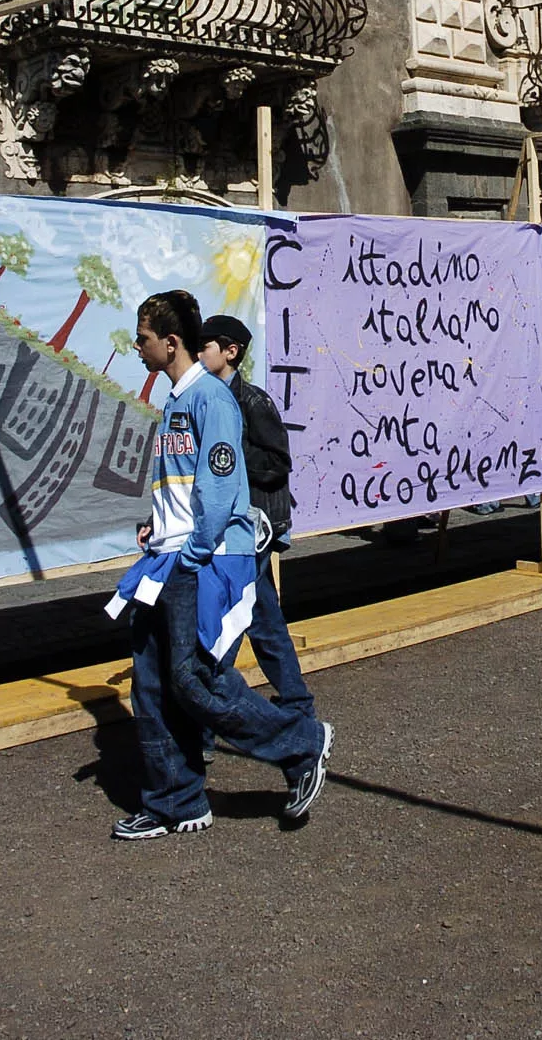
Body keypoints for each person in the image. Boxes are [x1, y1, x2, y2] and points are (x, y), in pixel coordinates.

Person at [107, 289, 332, 840]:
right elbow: (184, 483)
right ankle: (176, 801)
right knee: (152, 682)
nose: (138, 348)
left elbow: (219, 483)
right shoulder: (178, 400)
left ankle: (301, 744)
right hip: (169, 554)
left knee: (196, 681)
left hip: (196, 559)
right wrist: (155, 527)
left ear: (170, 341)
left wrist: (191, 550)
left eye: (143, 339)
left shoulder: (211, 399)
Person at [197, 314, 317, 735]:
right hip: (220, 528)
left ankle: (209, 723)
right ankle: (299, 709)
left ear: (231, 352)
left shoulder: (253, 402)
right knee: (261, 619)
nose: (198, 353)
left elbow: (277, 464)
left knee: (228, 618)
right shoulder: (202, 398)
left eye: (206, 345)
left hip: (251, 530)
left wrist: (227, 462)